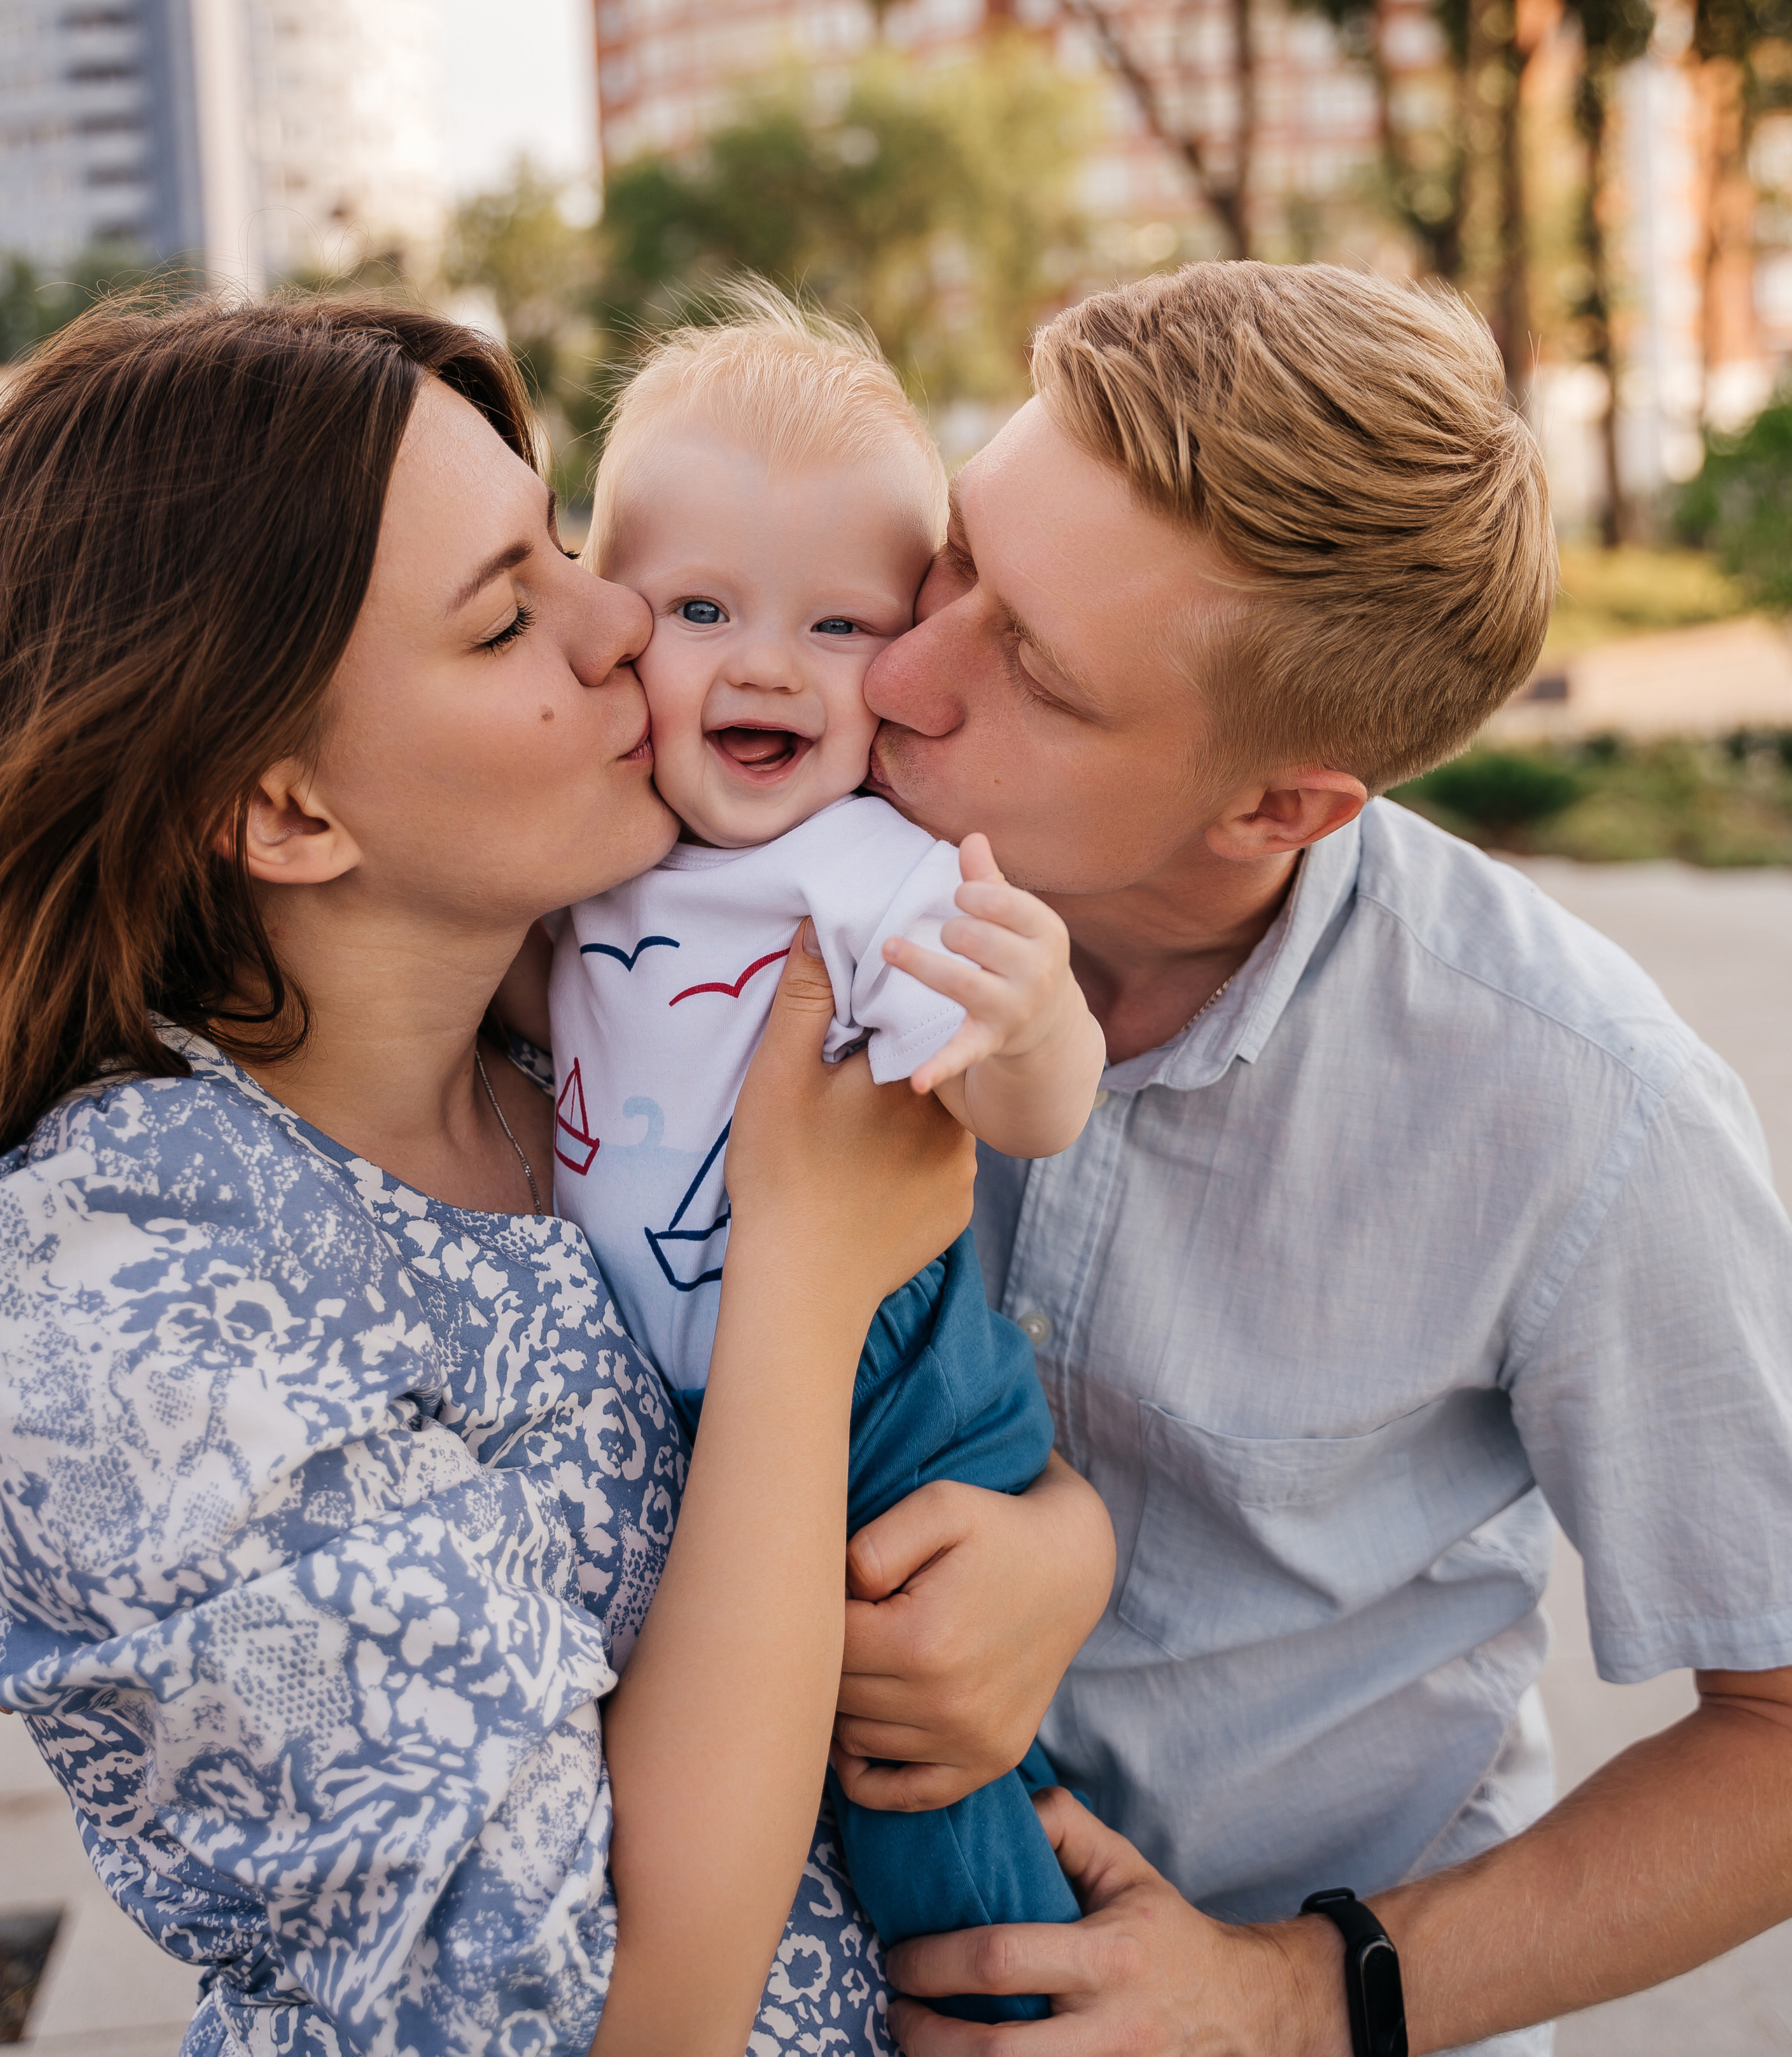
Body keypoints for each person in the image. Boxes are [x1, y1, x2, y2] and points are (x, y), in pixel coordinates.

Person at [0, 295, 1108, 2057]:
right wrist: (803, 1293)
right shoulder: (137, 1290)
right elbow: (625, 2014)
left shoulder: (550, 1046)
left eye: (571, 545)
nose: (621, 628)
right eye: (512, 609)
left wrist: (1058, 1551)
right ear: (287, 812)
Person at [825, 262, 1792, 2056]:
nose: (895, 670)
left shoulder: (1586, 1106)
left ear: (1279, 806)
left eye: (1029, 665)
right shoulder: (777, 886)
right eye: (955, 556)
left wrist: (1292, 1998)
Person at [523, 299, 1105, 2013]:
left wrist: (1033, 1019)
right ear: (614, 618)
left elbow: (1031, 1114)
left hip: (889, 1400)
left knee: (909, 1777)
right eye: (701, 608)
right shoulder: (591, 848)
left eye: (840, 624)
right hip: (699, 1407)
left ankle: (1013, 2008)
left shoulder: (871, 869)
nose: (766, 665)